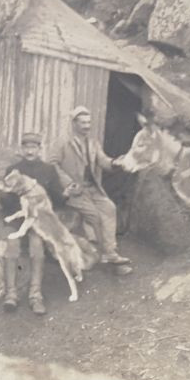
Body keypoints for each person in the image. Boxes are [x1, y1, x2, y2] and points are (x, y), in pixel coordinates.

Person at [51, 106, 133, 275]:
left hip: (92, 188)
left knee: (109, 208)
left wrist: (116, 162)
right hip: (74, 191)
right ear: (74, 124)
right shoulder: (62, 142)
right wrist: (67, 183)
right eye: (83, 123)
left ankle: (110, 252)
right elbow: (52, 163)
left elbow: (103, 161)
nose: (87, 126)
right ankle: (106, 253)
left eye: (88, 122)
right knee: (94, 215)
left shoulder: (93, 142)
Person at [0, 133, 70, 315]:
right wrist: (2, 195)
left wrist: (66, 195)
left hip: (38, 221)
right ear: (22, 149)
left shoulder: (48, 170)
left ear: (39, 149)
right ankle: (11, 295)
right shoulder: (12, 170)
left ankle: (35, 296)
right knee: (12, 245)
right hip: (17, 218)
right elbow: (7, 202)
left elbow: (56, 197)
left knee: (37, 246)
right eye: (26, 147)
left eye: (33, 147)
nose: (30, 151)